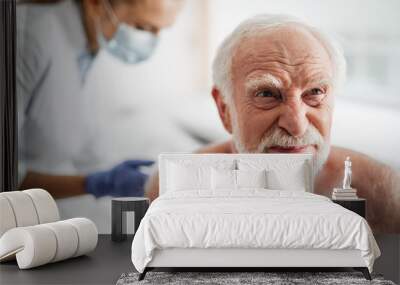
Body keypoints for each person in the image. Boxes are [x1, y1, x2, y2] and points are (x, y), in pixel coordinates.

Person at [145, 14, 400, 233]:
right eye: (267, 94)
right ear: (224, 109)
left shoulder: (382, 192)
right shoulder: (175, 187)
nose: (297, 126)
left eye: (315, 92)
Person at [16, 0, 184, 200]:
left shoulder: (91, 46)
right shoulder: (27, 38)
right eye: (142, 27)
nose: (150, 42)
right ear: (95, 3)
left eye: (159, 31)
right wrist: (94, 183)